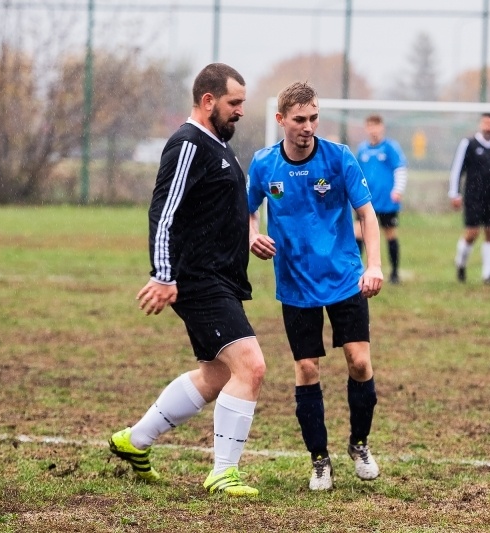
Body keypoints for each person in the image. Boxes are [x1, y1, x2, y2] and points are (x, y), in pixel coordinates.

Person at [108, 63, 266, 497]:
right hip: (197, 279)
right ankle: (223, 471)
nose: (240, 112)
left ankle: (134, 440)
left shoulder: (218, 144)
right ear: (208, 101)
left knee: (216, 375)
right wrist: (162, 274)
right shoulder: (188, 144)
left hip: (220, 278)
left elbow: (216, 210)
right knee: (251, 368)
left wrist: (248, 235)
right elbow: (164, 212)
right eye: (234, 103)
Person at [247, 81, 384, 491]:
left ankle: (359, 444)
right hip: (295, 283)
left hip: (344, 277)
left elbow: (367, 214)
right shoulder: (264, 165)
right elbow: (247, 211)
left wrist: (373, 265)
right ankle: (319, 459)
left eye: (314, 118)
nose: (308, 126)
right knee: (307, 368)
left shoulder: (339, 159)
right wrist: (251, 235)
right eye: (300, 119)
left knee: (359, 363)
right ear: (281, 120)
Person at [448, 112, 490, 285]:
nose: (488, 126)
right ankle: (461, 263)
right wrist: (454, 193)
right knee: (472, 233)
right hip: (473, 197)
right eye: (485, 122)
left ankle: (489, 275)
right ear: (480, 124)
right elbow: (457, 170)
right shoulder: (469, 144)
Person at [353, 114, 408, 284]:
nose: (373, 130)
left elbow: (400, 168)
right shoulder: (362, 149)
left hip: (386, 200)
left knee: (389, 234)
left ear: (381, 128)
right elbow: (355, 173)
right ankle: (357, 270)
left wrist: (398, 190)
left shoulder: (390, 147)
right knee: (358, 233)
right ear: (366, 128)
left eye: (376, 126)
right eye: (370, 126)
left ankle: (394, 272)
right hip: (365, 200)